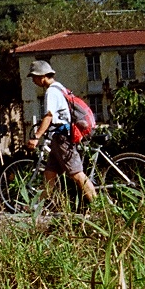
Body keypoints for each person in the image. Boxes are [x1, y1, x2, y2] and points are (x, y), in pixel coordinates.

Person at [25, 60, 96, 207]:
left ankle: (100, 206)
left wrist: (36, 136)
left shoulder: (51, 92)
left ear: (42, 76)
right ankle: (37, 208)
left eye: (34, 77)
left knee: (76, 174)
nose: (33, 80)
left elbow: (49, 116)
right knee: (49, 175)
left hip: (62, 138)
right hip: (58, 138)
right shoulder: (60, 88)